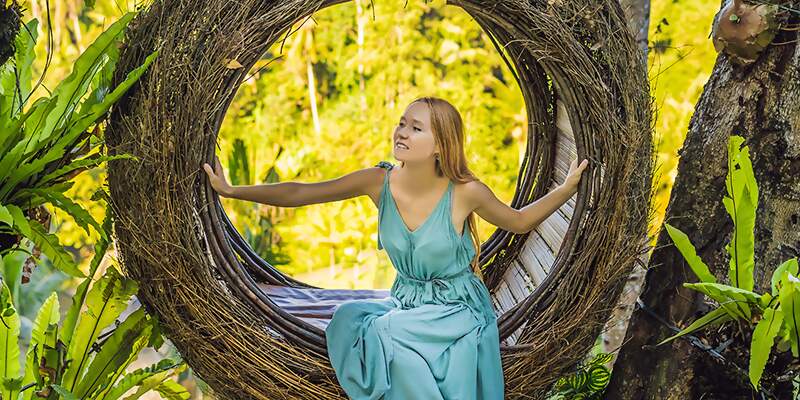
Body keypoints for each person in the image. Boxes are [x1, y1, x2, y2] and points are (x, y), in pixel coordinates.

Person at [203, 96, 588, 399]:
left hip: (456, 310)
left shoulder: (465, 193)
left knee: (387, 338)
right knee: (347, 320)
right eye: (402, 123)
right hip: (406, 303)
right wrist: (233, 191)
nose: (401, 132)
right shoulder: (379, 181)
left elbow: (519, 222)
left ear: (441, 144)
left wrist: (566, 189)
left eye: (416, 128)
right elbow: (305, 192)